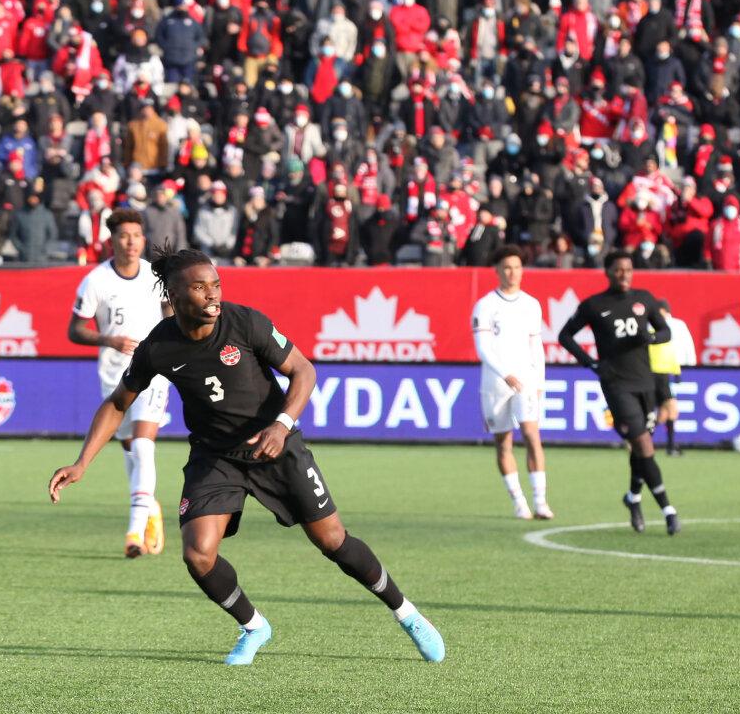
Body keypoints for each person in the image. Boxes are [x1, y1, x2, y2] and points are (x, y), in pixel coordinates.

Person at [48, 249, 445, 666]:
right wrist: (82, 463)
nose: (212, 294)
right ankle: (254, 626)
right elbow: (117, 404)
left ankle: (408, 614)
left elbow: (304, 371)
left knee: (332, 541)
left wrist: (282, 425)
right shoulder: (158, 347)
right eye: (200, 287)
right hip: (215, 457)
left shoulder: (245, 322)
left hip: (276, 447)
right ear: (174, 293)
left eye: (215, 284)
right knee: (198, 553)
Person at [68, 209, 171, 558]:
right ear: (112, 240)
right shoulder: (95, 281)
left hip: (154, 371)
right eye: (124, 236)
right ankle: (150, 508)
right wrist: (108, 340)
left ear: (144, 239)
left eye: (137, 236)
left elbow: (171, 313)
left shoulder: (156, 275)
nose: (131, 242)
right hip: (115, 375)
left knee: (143, 446)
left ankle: (134, 530)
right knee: (130, 450)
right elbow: (75, 330)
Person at [557, 251, 680, 535]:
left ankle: (633, 498)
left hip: (645, 383)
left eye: (628, 269)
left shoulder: (644, 299)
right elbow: (565, 335)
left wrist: (650, 337)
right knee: (644, 445)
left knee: (641, 447)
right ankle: (668, 509)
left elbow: (666, 332)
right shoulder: (594, 305)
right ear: (607, 272)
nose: (624, 274)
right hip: (616, 385)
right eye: (618, 270)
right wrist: (591, 363)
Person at [471, 245, 551, 520]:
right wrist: (505, 373)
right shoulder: (485, 305)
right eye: (507, 267)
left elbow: (536, 344)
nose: (512, 272)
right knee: (504, 442)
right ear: (497, 271)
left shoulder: (531, 304)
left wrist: (539, 380)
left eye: (517, 267)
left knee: (531, 434)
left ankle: (541, 501)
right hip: (495, 382)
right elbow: (483, 348)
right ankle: (519, 502)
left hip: (525, 380)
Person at [648, 300, 696, 457]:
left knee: (664, 413)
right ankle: (668, 446)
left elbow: (669, 351)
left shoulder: (660, 327)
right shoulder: (665, 326)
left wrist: (676, 370)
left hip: (661, 371)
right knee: (672, 408)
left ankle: (644, 441)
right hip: (658, 372)